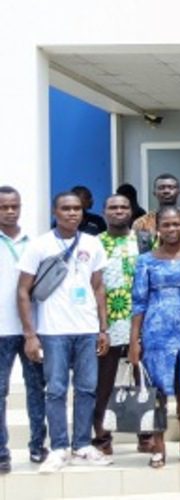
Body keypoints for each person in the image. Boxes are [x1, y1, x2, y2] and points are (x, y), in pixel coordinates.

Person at [17, 191, 112, 473]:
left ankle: (82, 445)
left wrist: (102, 328)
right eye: (66, 209)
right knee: (56, 390)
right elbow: (23, 291)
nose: (72, 213)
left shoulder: (93, 243)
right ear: (55, 212)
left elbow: (98, 288)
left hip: (86, 330)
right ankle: (58, 448)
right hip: (52, 331)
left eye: (77, 209)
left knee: (86, 389)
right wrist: (30, 334)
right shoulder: (40, 245)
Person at [128, 206, 180, 468]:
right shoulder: (146, 260)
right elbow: (138, 302)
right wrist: (135, 340)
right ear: (157, 228)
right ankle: (158, 446)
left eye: (175, 224)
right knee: (157, 393)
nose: (171, 229)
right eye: (165, 225)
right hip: (155, 332)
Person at [92, 194, 154, 456]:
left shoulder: (144, 241)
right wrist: (100, 326)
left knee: (144, 382)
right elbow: (93, 286)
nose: (118, 211)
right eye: (113, 207)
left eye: (123, 207)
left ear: (132, 212)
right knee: (103, 382)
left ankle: (146, 435)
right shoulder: (94, 244)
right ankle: (102, 438)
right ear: (104, 212)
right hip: (107, 324)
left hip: (141, 322)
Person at [0, 186, 46, 472]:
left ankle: (38, 446)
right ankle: (1, 452)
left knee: (36, 390)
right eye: (4, 207)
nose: (9, 211)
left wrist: (34, 332)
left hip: (32, 328)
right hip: (0, 330)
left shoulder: (35, 243)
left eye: (14, 206)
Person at [132, 173, 180, 241]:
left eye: (171, 187)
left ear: (179, 191)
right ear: (154, 192)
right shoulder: (141, 223)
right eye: (161, 188)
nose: (166, 191)